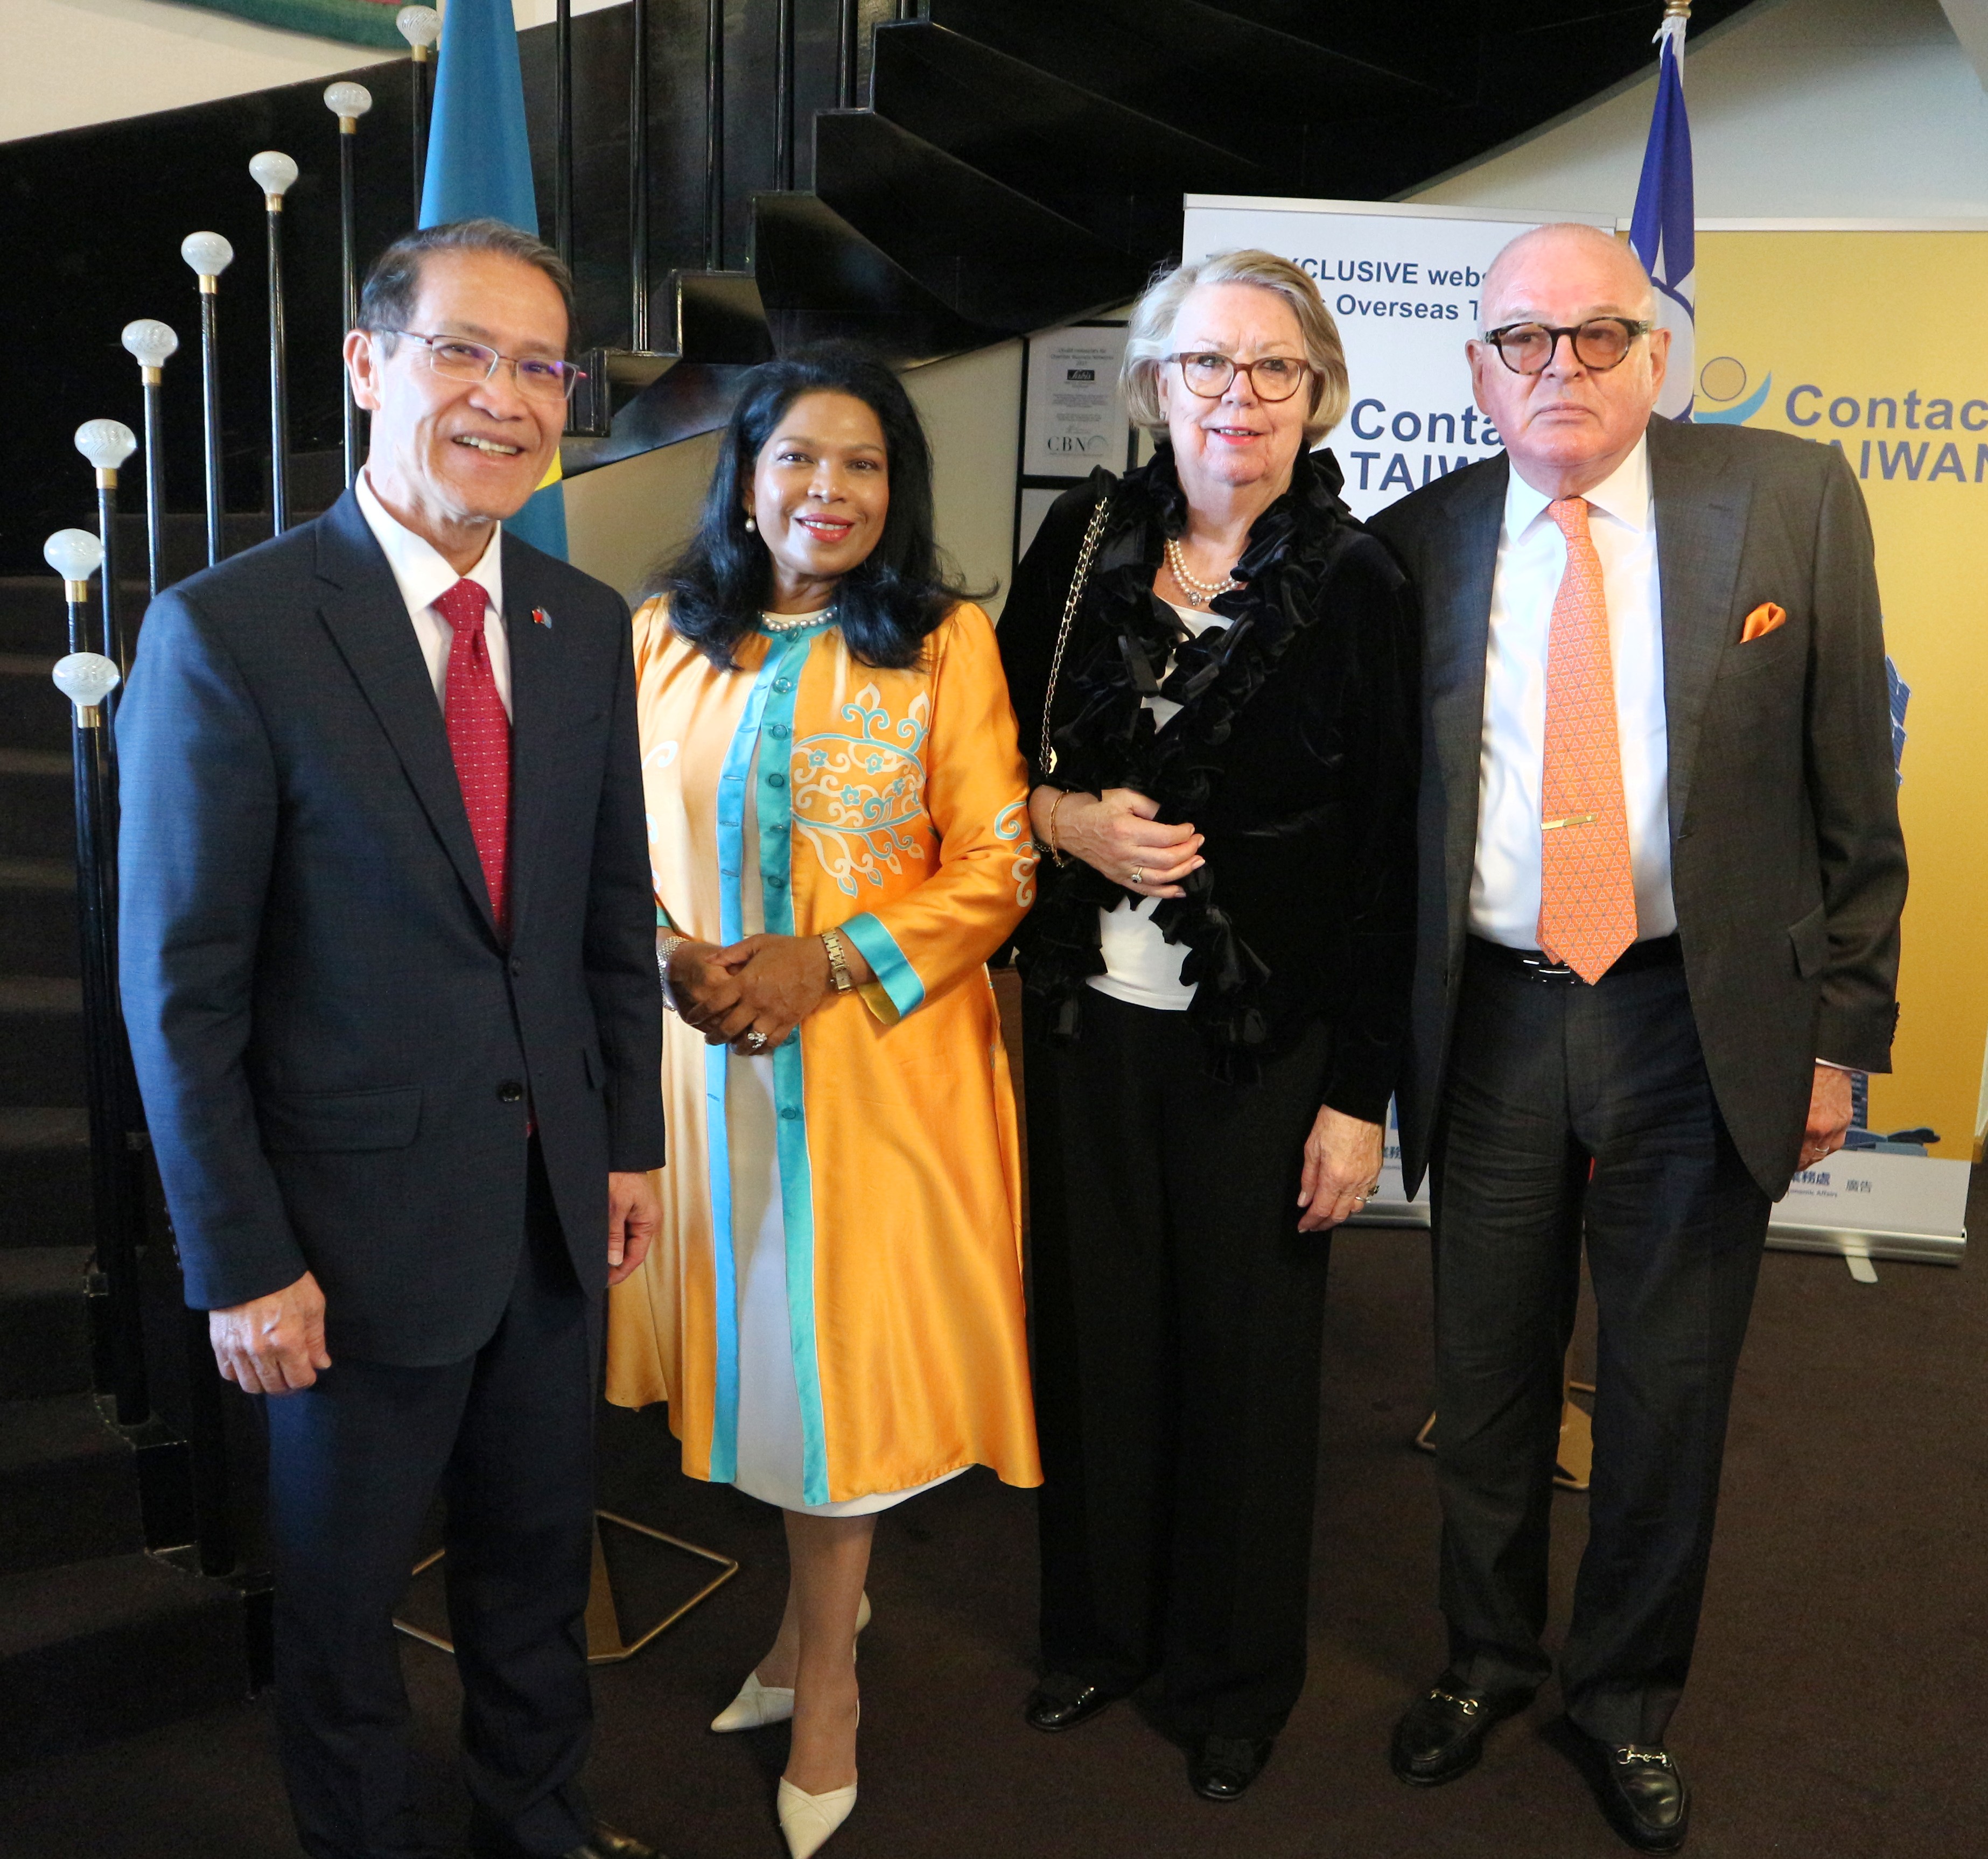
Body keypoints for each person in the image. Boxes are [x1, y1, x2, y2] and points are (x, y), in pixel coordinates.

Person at [117, 219, 667, 1859]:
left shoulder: (581, 621)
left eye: (540, 366)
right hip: (339, 1250)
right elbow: (182, 987)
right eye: (463, 351)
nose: (506, 397)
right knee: (345, 1615)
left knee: (535, 1576)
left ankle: (538, 1825)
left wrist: (625, 1144)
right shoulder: (230, 631)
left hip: (549, 1219)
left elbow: (606, 917)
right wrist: (240, 1260)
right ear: (368, 364)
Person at [1368, 222, 1907, 1854]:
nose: (1562, 368)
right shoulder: (1413, 542)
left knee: (1668, 1393)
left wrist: (1841, 1040)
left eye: (1598, 334)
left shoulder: (1790, 497)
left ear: (1653, 356)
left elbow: (1853, 799)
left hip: (1695, 1016)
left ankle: (1622, 1701)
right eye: (1524, 341)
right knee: (1486, 1377)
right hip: (1491, 1020)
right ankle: (1485, 1659)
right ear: (1478, 371)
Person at [605, 342, 1041, 1859]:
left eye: (862, 463)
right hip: (702, 1068)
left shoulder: (944, 644)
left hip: (879, 1078)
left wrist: (828, 962)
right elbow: (607, 846)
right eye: (796, 456)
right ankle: (804, 1634)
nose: (827, 489)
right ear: (744, 478)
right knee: (753, 1371)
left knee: (829, 1380)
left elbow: (999, 864)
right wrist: (677, 956)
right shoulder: (660, 637)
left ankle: (830, 1684)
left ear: (895, 491)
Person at [996, 249, 1418, 1802]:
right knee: (1096, 1337)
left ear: (1317, 396)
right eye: (1207, 365)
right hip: (1087, 1021)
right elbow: (983, 751)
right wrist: (1065, 821)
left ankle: (1233, 1678)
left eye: (1272, 369)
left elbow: (1388, 857)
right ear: (1156, 385)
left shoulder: (1361, 584)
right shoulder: (1080, 540)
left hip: (1267, 1045)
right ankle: (1098, 1632)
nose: (1238, 396)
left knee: (1245, 1367)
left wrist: (1359, 1098)